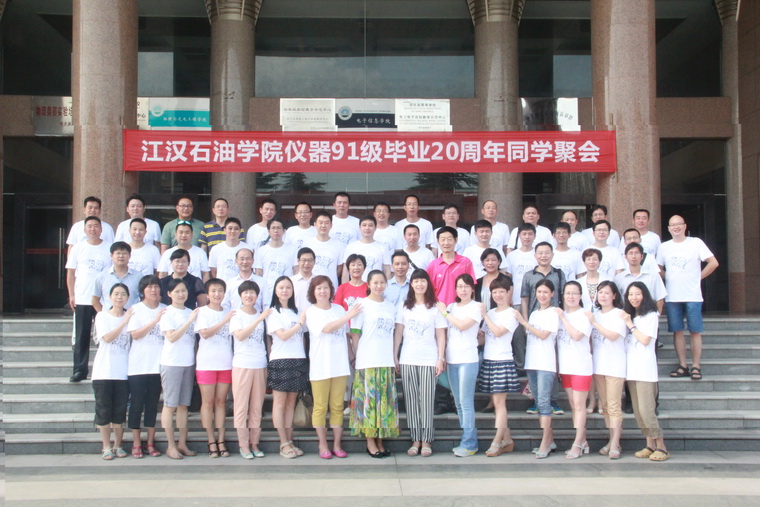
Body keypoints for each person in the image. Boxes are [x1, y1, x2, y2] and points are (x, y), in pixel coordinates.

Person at [304, 275, 362, 459]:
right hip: (321, 365)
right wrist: (348, 316)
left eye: (326, 287)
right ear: (313, 292)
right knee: (320, 407)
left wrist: (352, 357)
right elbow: (327, 328)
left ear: (331, 290)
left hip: (339, 365)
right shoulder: (311, 311)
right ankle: (322, 445)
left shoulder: (338, 309)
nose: (323, 291)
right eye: (319, 288)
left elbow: (345, 335)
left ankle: (337, 444)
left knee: (337, 406)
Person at [657, 215, 719, 381]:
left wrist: (698, 277)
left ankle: (696, 365)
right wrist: (670, 277)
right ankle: (683, 365)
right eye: (672, 225)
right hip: (672, 295)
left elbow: (713, 262)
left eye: (679, 224)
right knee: (677, 331)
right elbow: (658, 268)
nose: (676, 227)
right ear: (668, 228)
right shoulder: (664, 247)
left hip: (693, 295)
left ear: (685, 226)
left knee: (694, 330)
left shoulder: (696, 243)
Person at [394, 269, 447, 457]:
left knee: (426, 401)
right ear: (411, 284)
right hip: (408, 358)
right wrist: (395, 356)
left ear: (428, 284)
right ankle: (415, 439)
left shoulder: (435, 307)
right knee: (411, 401)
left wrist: (440, 358)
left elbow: (441, 335)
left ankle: (426, 440)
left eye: (422, 281)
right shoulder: (404, 306)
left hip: (429, 359)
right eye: (416, 281)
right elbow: (398, 333)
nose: (419, 284)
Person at [349, 270, 400, 457]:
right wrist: (357, 356)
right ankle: (370, 441)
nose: (379, 286)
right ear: (368, 284)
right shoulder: (361, 304)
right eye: (375, 283)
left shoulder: (390, 306)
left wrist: (394, 356)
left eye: (382, 282)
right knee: (369, 403)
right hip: (367, 360)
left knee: (383, 403)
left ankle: (380, 440)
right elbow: (355, 333)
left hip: (385, 360)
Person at [622, 281, 670, 462]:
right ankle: (649, 444)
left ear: (644, 295)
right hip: (631, 370)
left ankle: (661, 446)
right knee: (638, 411)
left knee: (647, 410)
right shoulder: (631, 316)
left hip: (645, 370)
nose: (634, 298)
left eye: (637, 294)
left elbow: (645, 340)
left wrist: (630, 325)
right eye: (630, 294)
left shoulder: (651, 315)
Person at [436, 274, 483, 457]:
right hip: (452, 359)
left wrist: (445, 313)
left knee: (465, 402)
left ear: (472, 289)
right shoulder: (451, 306)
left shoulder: (476, 307)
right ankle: (467, 440)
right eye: (460, 286)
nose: (463, 290)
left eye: (466, 286)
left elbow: (463, 326)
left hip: (468, 359)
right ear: (455, 289)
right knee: (458, 402)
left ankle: (470, 443)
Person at [514, 279, 559, 458]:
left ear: (552, 294)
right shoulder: (534, 313)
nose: (542, 295)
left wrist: (523, 322)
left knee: (544, 402)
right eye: (539, 292)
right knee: (539, 403)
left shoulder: (553, 313)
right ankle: (550, 439)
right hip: (532, 362)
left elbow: (542, 335)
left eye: (545, 292)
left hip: (545, 363)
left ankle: (545, 442)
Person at [520, 241, 565, 419]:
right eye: (540, 252)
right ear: (535, 255)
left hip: (552, 321)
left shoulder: (558, 274)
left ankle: (552, 400)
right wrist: (525, 321)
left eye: (547, 252)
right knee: (536, 361)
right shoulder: (529, 275)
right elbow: (524, 299)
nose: (544, 255)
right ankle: (537, 400)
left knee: (551, 362)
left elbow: (563, 296)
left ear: (552, 255)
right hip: (534, 320)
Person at [266, 276, 309, 459]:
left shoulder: (295, 311)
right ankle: (283, 442)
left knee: (291, 403)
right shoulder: (273, 313)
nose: (285, 290)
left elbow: (302, 337)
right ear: (275, 291)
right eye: (281, 287)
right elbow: (283, 336)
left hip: (298, 359)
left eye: (288, 287)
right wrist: (300, 322)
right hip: (281, 360)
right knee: (279, 403)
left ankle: (289, 440)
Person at [477, 276, 520, 457]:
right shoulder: (492, 312)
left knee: (499, 404)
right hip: (489, 359)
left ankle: (496, 441)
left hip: (503, 360)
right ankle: (507, 439)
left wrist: (485, 316)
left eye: (502, 291)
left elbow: (498, 332)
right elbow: (485, 338)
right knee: (496, 403)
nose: (498, 295)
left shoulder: (512, 314)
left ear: (509, 292)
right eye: (494, 292)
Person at [66, 216, 112, 382]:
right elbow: (71, 273)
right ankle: (80, 370)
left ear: (101, 229)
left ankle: (106, 369)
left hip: (103, 300)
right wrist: (72, 294)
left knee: (105, 334)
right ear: (85, 229)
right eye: (90, 226)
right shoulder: (78, 248)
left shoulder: (109, 247)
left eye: (96, 226)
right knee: (81, 336)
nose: (93, 229)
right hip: (83, 297)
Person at [230, 280, 273, 459]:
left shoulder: (261, 315)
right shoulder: (236, 315)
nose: (249, 296)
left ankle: (254, 443)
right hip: (242, 364)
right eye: (246, 293)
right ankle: (243, 445)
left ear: (257, 296)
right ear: (240, 296)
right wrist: (258, 319)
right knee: (241, 408)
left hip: (260, 364)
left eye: (252, 293)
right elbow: (240, 335)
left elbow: (266, 340)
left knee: (256, 407)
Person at [159, 278, 200, 460]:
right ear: (169, 294)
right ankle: (171, 445)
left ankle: (182, 443)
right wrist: (188, 322)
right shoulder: (167, 313)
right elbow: (172, 337)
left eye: (183, 290)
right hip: (172, 363)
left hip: (188, 363)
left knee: (184, 405)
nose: (181, 294)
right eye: (177, 291)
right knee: (170, 405)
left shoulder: (191, 312)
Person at [126, 275, 166, 458]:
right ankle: (136, 442)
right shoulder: (136, 309)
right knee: (136, 404)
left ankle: (150, 442)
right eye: (149, 287)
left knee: (152, 405)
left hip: (158, 365)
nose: (153, 290)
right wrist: (154, 321)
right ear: (142, 290)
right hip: (138, 365)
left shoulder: (165, 309)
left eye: (156, 286)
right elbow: (135, 335)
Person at [587, 281, 628, 460]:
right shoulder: (595, 314)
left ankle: (616, 443)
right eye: (600, 292)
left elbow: (612, 336)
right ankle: (611, 441)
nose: (602, 296)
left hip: (615, 366)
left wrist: (594, 323)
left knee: (614, 406)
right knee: (604, 407)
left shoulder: (619, 314)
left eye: (606, 292)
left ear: (614, 296)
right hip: (598, 366)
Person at [92, 283, 132, 460]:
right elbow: (107, 338)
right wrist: (124, 322)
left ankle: (118, 445)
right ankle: (106, 446)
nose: (119, 297)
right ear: (109, 297)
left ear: (128, 298)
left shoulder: (130, 316)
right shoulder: (102, 316)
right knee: (103, 410)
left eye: (123, 294)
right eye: (116, 294)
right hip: (104, 372)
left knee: (120, 411)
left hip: (123, 372)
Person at [195, 278, 235, 458]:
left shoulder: (229, 312)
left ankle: (221, 440)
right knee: (208, 402)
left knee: (221, 402)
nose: (217, 294)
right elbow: (205, 333)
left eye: (220, 290)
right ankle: (211, 440)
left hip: (225, 362)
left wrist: (227, 318)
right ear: (207, 294)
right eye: (213, 291)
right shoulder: (202, 312)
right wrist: (224, 321)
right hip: (206, 363)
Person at [555, 281, 594, 459]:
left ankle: (577, 443)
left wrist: (563, 319)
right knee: (573, 405)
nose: (571, 296)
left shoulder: (584, 314)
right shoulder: (560, 315)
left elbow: (577, 336)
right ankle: (583, 440)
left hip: (580, 366)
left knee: (579, 406)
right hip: (566, 366)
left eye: (574, 293)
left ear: (580, 295)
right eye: (568, 293)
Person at [504, 224, 537, 374]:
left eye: (530, 234)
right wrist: (509, 299)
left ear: (534, 236)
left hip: (536, 301)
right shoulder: (512, 256)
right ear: (519, 236)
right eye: (524, 234)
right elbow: (508, 278)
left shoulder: (538, 253)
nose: (527, 237)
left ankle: (534, 364)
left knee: (534, 333)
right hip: (516, 299)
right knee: (518, 335)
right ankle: (520, 365)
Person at [427, 226, 476, 305]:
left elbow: (472, 287)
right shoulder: (433, 265)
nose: (446, 243)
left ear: (456, 240)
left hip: (461, 307)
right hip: (439, 308)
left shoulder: (465, 262)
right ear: (438, 241)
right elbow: (428, 290)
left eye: (449, 239)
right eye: (443, 239)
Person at [254, 216, 297, 305]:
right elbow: (258, 273)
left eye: (279, 228)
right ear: (268, 231)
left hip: (286, 293)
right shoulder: (261, 251)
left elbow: (296, 271)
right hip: (267, 293)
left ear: (284, 231)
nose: (276, 231)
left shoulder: (292, 249)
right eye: (273, 228)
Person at [614, 242, 667, 314]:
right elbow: (617, 301)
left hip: (648, 314)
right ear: (625, 257)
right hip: (627, 315)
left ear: (642, 256)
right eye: (631, 253)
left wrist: (657, 316)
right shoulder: (619, 278)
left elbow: (660, 299)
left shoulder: (653, 276)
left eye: (636, 253)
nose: (633, 256)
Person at [92, 242, 142, 312]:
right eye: (118, 253)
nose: (121, 256)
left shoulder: (139, 276)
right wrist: (104, 315)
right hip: (109, 317)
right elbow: (95, 300)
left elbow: (143, 299)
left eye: (124, 253)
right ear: (111, 255)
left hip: (132, 317)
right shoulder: (102, 276)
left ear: (130, 255)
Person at [341, 216, 391, 282]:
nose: (367, 228)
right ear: (360, 227)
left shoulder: (383, 247)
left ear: (375, 227)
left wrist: (385, 286)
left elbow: (387, 271)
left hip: (376, 286)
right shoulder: (350, 247)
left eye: (370, 225)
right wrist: (345, 287)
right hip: (356, 286)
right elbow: (346, 271)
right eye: (364, 225)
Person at [304, 211, 345, 289]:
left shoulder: (339, 245)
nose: (323, 225)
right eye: (320, 222)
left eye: (326, 223)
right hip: (311, 287)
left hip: (331, 287)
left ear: (331, 225)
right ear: (315, 224)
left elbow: (339, 268)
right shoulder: (307, 243)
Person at [222, 248, 266, 313]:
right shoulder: (230, 283)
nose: (245, 262)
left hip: (257, 318)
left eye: (248, 259)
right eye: (241, 259)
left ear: (253, 261)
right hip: (235, 318)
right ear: (236, 261)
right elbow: (225, 306)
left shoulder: (262, 282)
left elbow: (266, 305)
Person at [291, 247, 316, 314]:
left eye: (310, 260)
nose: (307, 263)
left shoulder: (318, 281)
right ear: (298, 261)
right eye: (303, 260)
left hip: (315, 317)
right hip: (295, 317)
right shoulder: (291, 281)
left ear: (314, 261)